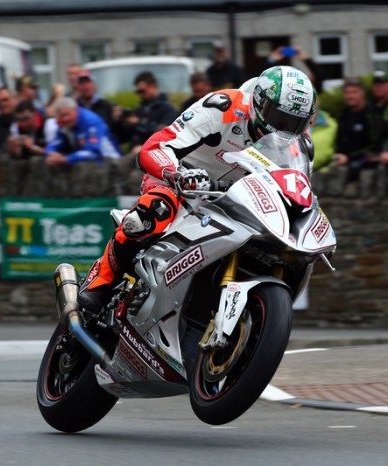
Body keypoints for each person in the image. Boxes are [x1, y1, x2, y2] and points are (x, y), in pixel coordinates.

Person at [77, 65, 317, 314]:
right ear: (258, 102)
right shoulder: (223, 107)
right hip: (181, 183)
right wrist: (176, 174)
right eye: (278, 118)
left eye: (295, 123)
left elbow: (296, 192)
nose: (284, 129)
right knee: (154, 210)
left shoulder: (301, 146)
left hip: (238, 202)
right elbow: (156, 147)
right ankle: (101, 280)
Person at [333, 77, 388, 180]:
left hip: (366, 158)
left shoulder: (373, 114)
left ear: (362, 93)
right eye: (347, 93)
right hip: (342, 158)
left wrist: (349, 158)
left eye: (354, 92)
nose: (350, 96)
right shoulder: (343, 114)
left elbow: (375, 144)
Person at [44, 97, 121, 167]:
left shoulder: (91, 121)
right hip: (91, 167)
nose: (65, 119)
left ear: (75, 110)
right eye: (61, 116)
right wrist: (51, 154)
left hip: (111, 163)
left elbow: (93, 152)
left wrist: (66, 159)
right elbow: (55, 143)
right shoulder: (63, 123)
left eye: (67, 114)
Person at [113, 71, 177, 147]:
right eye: (138, 92)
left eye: (142, 91)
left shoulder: (167, 109)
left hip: (154, 152)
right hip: (136, 152)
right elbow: (122, 138)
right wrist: (118, 121)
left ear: (153, 86)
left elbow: (163, 134)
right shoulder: (140, 110)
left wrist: (139, 122)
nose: (140, 94)